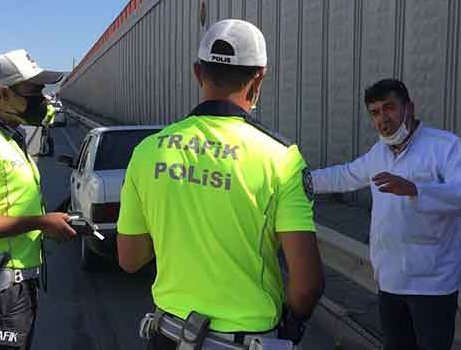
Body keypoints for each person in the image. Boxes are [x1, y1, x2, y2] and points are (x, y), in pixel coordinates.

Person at [117, 19, 324, 349]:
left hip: (167, 334)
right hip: (246, 340)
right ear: (259, 76)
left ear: (198, 73)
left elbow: (130, 259)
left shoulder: (147, 151)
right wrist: (293, 324)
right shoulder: (280, 157)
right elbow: (307, 285)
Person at [311, 79, 461, 350]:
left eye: (389, 108)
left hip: (432, 283)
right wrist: (300, 181)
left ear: (409, 108)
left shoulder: (444, 146)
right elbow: (344, 176)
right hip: (390, 280)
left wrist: (416, 189)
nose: (383, 119)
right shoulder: (378, 153)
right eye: (375, 112)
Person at [0, 49, 77, 350]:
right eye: (32, 90)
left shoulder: (9, 138)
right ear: (1, 95)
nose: (40, 97)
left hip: (16, 284)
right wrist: (40, 222)